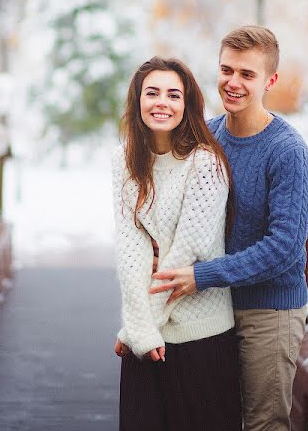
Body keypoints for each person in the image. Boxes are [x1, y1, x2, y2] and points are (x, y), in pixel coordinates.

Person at [150, 26, 308, 431]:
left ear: (270, 81)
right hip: (211, 308)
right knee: (211, 418)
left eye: (247, 74)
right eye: (226, 70)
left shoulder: (288, 151)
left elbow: (284, 248)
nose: (233, 83)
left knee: (263, 425)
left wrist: (204, 276)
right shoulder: (205, 136)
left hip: (268, 310)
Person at [112, 56, 242, 431]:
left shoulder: (206, 162)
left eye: (173, 95)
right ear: (137, 100)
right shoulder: (123, 160)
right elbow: (130, 246)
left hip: (199, 333)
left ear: (187, 106)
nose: (161, 103)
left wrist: (138, 328)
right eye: (152, 93)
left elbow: (190, 248)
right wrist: (140, 329)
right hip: (146, 331)